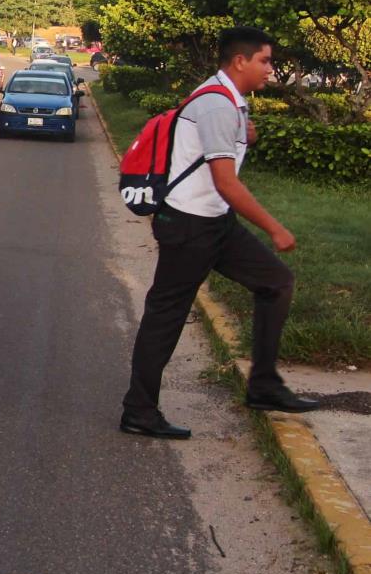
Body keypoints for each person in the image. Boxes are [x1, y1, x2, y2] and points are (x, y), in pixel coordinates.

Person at [120, 27, 319, 440]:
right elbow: (227, 182)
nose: (271, 69)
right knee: (167, 316)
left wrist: (246, 134)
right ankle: (138, 411)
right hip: (189, 224)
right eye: (265, 60)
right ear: (240, 61)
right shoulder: (216, 104)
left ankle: (264, 386)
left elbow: (229, 145)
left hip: (214, 222)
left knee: (276, 283)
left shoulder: (229, 99)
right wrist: (275, 228)